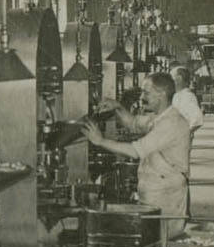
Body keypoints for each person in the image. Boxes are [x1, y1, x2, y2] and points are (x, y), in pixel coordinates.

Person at [83, 71, 195, 231]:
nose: (142, 97)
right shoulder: (160, 117)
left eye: (146, 92)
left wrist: (100, 141)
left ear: (161, 95)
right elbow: (133, 123)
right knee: (151, 240)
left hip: (166, 193)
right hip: (156, 188)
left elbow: (136, 151)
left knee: (163, 240)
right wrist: (118, 107)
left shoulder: (171, 122)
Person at [168, 66, 205, 130]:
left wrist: (186, 133)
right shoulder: (178, 95)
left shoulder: (187, 96)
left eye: (171, 78)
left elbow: (198, 119)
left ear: (179, 79)